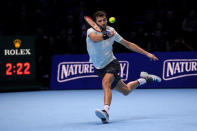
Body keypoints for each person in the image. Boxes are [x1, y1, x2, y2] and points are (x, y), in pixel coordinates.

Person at [86, 11, 161, 124]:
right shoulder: (91, 31)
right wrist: (107, 35)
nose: (102, 22)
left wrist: (147, 54)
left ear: (107, 20)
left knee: (106, 82)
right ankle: (145, 79)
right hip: (99, 68)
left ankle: (106, 112)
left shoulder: (112, 31)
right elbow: (94, 39)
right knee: (126, 91)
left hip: (112, 63)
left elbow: (128, 44)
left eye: (104, 20)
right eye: (99, 21)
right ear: (95, 23)